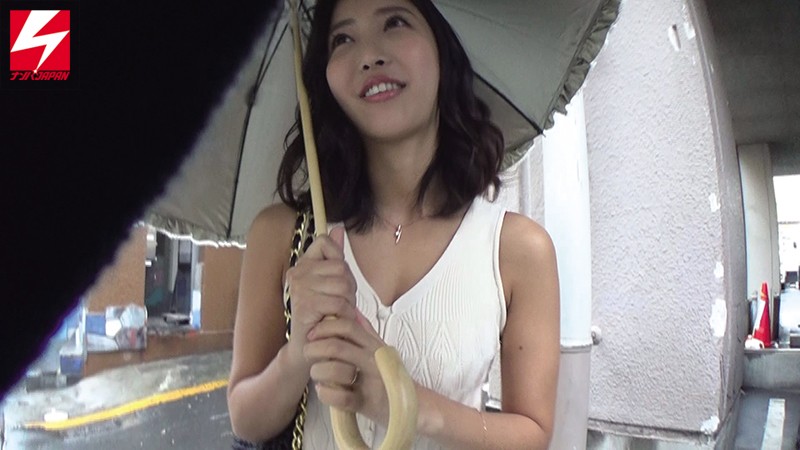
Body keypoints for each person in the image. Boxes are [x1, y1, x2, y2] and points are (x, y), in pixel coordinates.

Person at [227, 0, 560, 448]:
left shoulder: (517, 249)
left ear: (443, 47)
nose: (369, 55)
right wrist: (300, 351)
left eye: (395, 22)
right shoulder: (282, 234)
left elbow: (533, 434)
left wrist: (403, 402)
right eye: (343, 38)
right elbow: (246, 421)